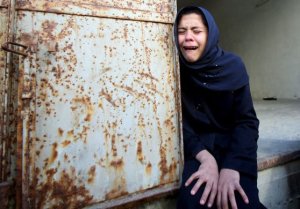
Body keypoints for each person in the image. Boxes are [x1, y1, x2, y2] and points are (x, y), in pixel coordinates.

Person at [174, 6, 266, 209]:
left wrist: (233, 165)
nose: (188, 37)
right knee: (192, 203)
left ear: (210, 34)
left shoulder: (233, 66)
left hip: (234, 145)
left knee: (240, 203)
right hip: (198, 148)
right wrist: (206, 159)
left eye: (196, 31)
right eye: (181, 31)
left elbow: (247, 121)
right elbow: (179, 123)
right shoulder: (174, 69)